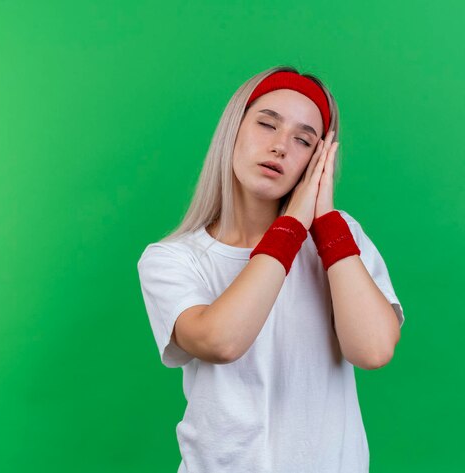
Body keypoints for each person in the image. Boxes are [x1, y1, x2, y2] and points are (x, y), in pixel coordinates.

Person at [136, 65, 405, 473]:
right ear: (233, 132)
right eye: (267, 124)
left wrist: (323, 222)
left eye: (303, 140)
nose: (281, 146)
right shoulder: (172, 259)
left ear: (318, 162)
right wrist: (291, 226)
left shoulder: (339, 239)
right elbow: (221, 341)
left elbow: (372, 349)